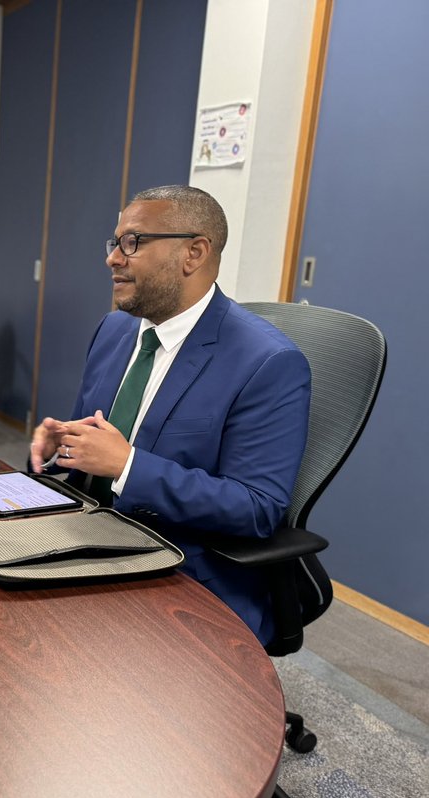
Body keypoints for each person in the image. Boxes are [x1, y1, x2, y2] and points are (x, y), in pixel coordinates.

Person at [30, 185, 311, 646]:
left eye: (133, 242)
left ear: (193, 253)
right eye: (115, 242)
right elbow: (90, 442)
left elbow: (258, 508)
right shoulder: (115, 329)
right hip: (92, 536)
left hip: (183, 569)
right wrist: (61, 446)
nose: (113, 259)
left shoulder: (268, 362)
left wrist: (127, 466)